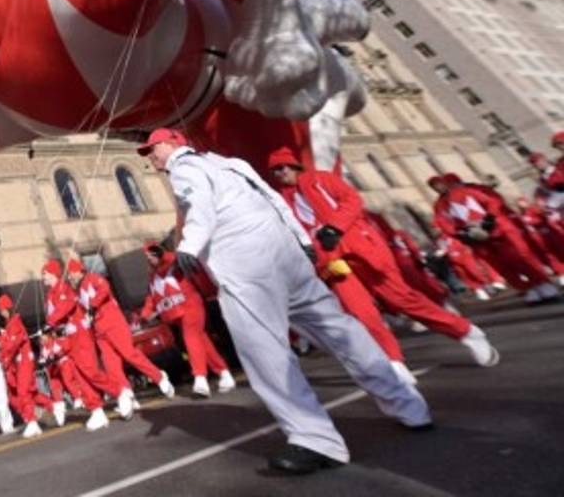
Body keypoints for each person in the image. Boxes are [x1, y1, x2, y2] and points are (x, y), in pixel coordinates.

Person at [141, 128, 432, 474]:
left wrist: (188, 246)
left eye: (151, 151)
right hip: (287, 257)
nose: (151, 159)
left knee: (266, 355)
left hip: (247, 268)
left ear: (168, 144)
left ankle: (315, 440)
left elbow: (199, 206)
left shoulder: (184, 168)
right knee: (340, 330)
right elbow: (275, 199)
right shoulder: (230, 163)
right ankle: (409, 405)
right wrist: (301, 240)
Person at [268, 148, 498, 369]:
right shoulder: (283, 201)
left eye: (283, 167)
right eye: (276, 171)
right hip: (333, 262)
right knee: (360, 312)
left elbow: (352, 200)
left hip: (362, 249)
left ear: (294, 165)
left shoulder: (321, 179)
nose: (281, 173)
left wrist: (334, 228)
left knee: (402, 300)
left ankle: (466, 332)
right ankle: (393, 362)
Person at [429, 173, 559, 303]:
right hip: (476, 239)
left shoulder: (470, 191)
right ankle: (526, 288)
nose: (438, 188)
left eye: (439, 183)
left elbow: (493, 202)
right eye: (434, 186)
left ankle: (542, 283)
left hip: (498, 231)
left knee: (520, 258)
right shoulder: (440, 205)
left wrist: (489, 220)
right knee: (501, 266)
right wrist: (459, 234)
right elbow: (442, 223)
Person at [68, 259, 174, 406]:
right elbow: (81, 311)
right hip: (99, 331)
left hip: (113, 323)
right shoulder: (79, 292)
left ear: (80, 271)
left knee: (129, 354)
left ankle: (159, 377)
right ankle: (126, 393)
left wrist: (94, 304)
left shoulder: (92, 278)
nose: (70, 277)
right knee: (111, 364)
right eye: (69, 274)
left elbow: (104, 288)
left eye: (72, 273)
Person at [140, 243, 235, 398]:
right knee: (201, 340)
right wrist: (145, 314)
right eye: (147, 257)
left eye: (152, 255)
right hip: (174, 313)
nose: (149, 259)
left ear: (159, 254)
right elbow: (151, 297)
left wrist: (161, 253)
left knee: (191, 337)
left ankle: (200, 377)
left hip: (191, 306)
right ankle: (224, 373)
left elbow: (172, 258)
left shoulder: (173, 264)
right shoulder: (153, 276)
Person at [42, 260, 111, 431]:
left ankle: (121, 390)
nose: (42, 277)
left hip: (79, 335)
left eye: (44, 273)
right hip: (67, 338)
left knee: (90, 372)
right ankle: (96, 410)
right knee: (81, 375)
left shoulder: (64, 288)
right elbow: (54, 319)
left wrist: (51, 321)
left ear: (53, 274)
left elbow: (68, 305)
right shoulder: (50, 294)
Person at [0, 294, 42, 437]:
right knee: (26, 392)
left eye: (2, 309)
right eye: (0, 310)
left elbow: (12, 345)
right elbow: (8, 345)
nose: (1, 312)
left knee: (23, 391)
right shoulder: (10, 324)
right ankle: (49, 409)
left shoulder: (15, 323)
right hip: (19, 361)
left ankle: (32, 422)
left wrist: (4, 356)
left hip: (25, 360)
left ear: (8, 308)